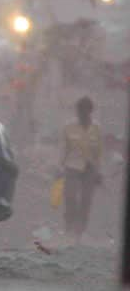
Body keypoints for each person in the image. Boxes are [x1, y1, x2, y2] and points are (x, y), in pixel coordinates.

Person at [60, 96, 103, 241]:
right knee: (70, 197)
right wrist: (59, 167)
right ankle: (69, 226)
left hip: (89, 169)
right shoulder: (69, 127)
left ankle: (81, 230)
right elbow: (63, 149)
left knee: (86, 200)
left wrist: (98, 171)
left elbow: (99, 152)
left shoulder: (96, 128)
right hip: (72, 167)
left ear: (90, 111)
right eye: (79, 110)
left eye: (85, 110)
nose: (81, 113)